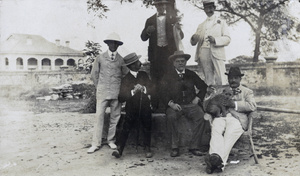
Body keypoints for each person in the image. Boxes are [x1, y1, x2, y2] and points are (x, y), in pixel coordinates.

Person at [204, 67, 257, 174]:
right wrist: (208, 94)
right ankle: (216, 162)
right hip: (220, 116)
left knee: (229, 134)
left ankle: (216, 164)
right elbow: (208, 104)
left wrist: (234, 104)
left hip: (237, 118)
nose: (233, 80)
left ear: (240, 79)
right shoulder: (221, 90)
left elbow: (252, 106)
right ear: (228, 79)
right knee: (216, 130)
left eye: (235, 78)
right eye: (230, 78)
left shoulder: (247, 92)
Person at [161, 50, 209, 157]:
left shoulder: (191, 74)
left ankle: (194, 146)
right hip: (175, 106)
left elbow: (203, 87)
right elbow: (162, 92)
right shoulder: (168, 76)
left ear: (186, 62)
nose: (181, 63)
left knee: (201, 116)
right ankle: (175, 147)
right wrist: (170, 103)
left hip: (190, 105)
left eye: (183, 61)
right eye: (178, 61)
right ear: (173, 63)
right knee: (171, 117)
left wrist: (198, 98)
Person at [87, 32, 129, 154]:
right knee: (99, 116)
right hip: (102, 92)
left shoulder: (121, 60)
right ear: (107, 44)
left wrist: (122, 89)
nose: (113, 45)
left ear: (118, 45)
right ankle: (96, 143)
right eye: (111, 42)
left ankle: (111, 140)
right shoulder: (100, 58)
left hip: (116, 92)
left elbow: (125, 75)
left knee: (115, 117)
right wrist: (99, 87)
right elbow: (94, 75)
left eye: (115, 43)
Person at [141, 0, 184, 111]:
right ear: (155, 6)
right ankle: (155, 106)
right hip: (155, 56)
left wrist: (178, 28)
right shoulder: (149, 20)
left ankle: (172, 105)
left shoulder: (172, 19)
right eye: (158, 4)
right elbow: (143, 37)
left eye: (162, 4)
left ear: (165, 5)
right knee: (155, 81)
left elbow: (181, 36)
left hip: (169, 55)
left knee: (170, 78)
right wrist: (147, 31)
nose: (160, 6)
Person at [112, 53, 153, 159]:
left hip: (145, 106)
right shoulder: (125, 79)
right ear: (132, 65)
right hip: (131, 107)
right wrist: (133, 91)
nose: (140, 63)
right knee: (126, 125)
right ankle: (120, 148)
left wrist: (144, 88)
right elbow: (121, 97)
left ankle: (147, 147)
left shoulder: (144, 75)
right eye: (137, 62)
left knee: (147, 123)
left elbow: (152, 89)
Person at [190, 0, 230, 86]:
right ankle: (211, 97)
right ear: (204, 9)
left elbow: (227, 39)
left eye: (211, 8)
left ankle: (223, 97)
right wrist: (193, 38)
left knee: (222, 77)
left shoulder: (221, 22)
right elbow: (194, 41)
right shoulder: (201, 25)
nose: (209, 10)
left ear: (214, 8)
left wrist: (215, 40)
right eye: (207, 8)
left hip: (217, 52)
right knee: (208, 78)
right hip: (204, 52)